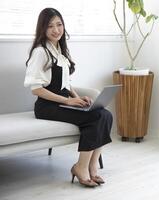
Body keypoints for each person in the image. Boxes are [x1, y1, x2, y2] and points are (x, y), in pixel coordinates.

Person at [24, 8, 113, 187]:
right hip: (47, 107)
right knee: (95, 117)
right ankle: (81, 167)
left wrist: (78, 97)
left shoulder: (60, 50)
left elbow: (65, 83)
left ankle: (92, 166)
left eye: (59, 24)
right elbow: (36, 90)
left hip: (64, 103)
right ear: (42, 28)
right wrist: (67, 101)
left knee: (106, 114)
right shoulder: (40, 52)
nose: (56, 30)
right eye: (50, 26)